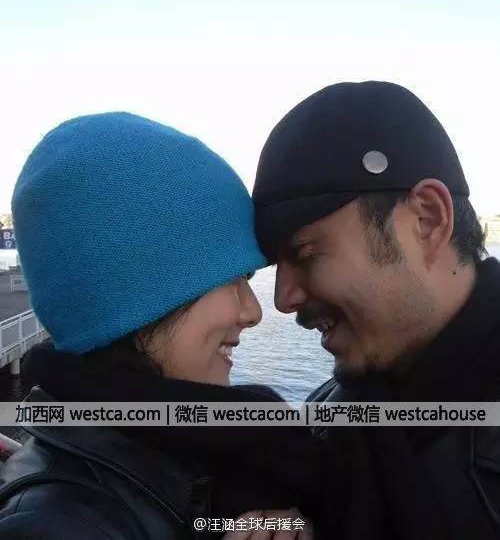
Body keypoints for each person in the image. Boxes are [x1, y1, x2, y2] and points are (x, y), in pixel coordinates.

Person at [0, 113, 322, 539]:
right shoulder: (54, 525)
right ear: (135, 295)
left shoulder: (191, 459)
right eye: (230, 278)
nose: (253, 311)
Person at [252, 81, 500, 539]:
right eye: (274, 266)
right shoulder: (331, 418)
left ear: (427, 220)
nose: (283, 300)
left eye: (304, 253)